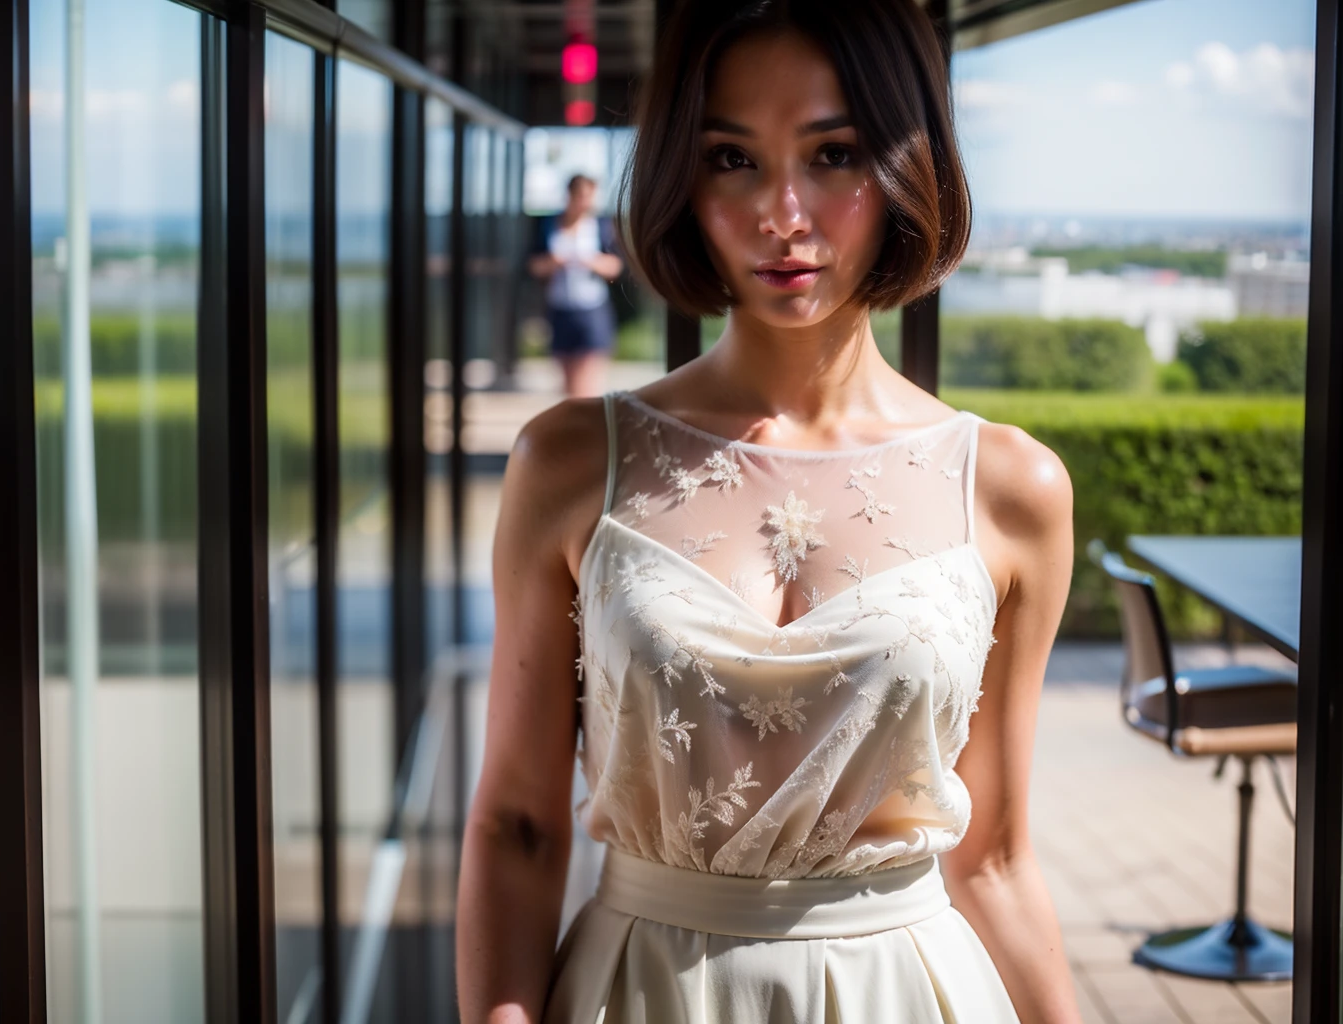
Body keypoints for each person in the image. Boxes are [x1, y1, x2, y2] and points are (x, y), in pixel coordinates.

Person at [458, 1, 1082, 1021]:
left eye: (834, 153)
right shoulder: (571, 462)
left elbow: (998, 857)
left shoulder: (1011, 490)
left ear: (906, 169)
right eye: (732, 159)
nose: (783, 212)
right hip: (637, 990)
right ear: (679, 179)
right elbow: (518, 826)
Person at [528, 174, 624, 397]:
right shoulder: (549, 225)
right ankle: (576, 428)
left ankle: (587, 428)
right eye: (581, 197)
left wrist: (590, 260)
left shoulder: (601, 226)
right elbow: (533, 265)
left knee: (588, 382)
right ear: (570, 196)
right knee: (568, 383)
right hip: (560, 307)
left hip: (592, 309)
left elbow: (616, 267)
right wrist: (554, 262)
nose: (586, 203)